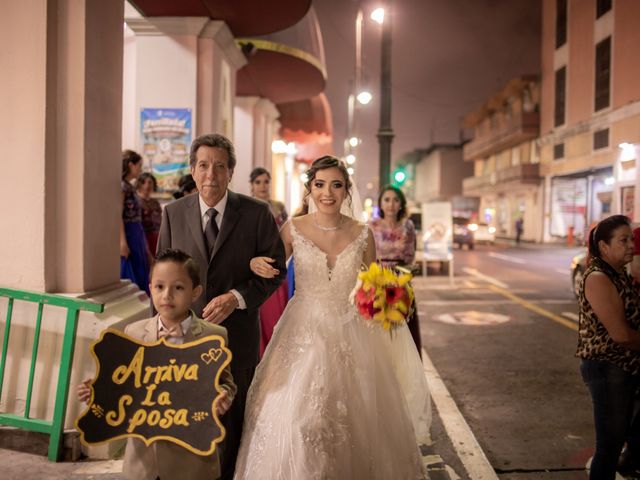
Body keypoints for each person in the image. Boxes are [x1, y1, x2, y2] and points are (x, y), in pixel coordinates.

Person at [234, 156, 431, 479]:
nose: (328, 193)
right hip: (302, 331)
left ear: (346, 191)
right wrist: (255, 263)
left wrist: (386, 300)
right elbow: (270, 271)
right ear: (310, 188)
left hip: (352, 333)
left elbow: (371, 284)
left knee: (360, 418)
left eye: (336, 185)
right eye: (320, 184)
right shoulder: (292, 228)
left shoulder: (362, 234)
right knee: (298, 418)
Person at [157, 133, 286, 480]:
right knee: (186, 423)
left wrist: (237, 297)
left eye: (219, 166)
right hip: (184, 341)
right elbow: (162, 274)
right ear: (193, 170)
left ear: (231, 172)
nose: (210, 175)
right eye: (203, 166)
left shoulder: (257, 214)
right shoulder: (173, 214)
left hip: (237, 338)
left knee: (234, 424)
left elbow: (277, 272)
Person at [78, 249, 236, 480]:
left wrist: (223, 396)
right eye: (159, 287)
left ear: (195, 292)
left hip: (192, 460)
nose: (167, 295)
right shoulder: (133, 332)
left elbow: (226, 383)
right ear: (150, 287)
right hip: (144, 461)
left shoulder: (213, 335)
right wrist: (97, 391)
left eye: (178, 287)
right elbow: (123, 384)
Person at [576, 214, 640, 480]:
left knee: (627, 433)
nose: (631, 246)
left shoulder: (619, 273)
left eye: (631, 240)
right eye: (623, 240)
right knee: (609, 446)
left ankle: (629, 463)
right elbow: (621, 335)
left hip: (626, 366)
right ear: (603, 246)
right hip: (608, 368)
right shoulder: (598, 278)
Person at [370, 185, 422, 354]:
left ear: (401, 204)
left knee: (403, 330)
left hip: (401, 282)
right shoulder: (371, 226)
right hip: (377, 281)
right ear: (380, 203)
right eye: (386, 200)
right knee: (379, 332)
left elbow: (410, 255)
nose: (391, 204)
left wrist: (403, 276)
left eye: (395, 200)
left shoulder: (408, 226)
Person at [249, 167, 289, 356]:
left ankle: (277, 353)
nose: (263, 186)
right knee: (261, 312)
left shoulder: (278, 207)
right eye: (258, 182)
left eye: (266, 181)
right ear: (252, 185)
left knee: (278, 313)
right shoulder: (247, 207)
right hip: (256, 264)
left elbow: (286, 235)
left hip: (276, 262)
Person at [121, 150, 151, 294]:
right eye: (139, 165)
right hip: (129, 231)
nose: (140, 169)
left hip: (136, 230)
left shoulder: (129, 186)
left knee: (141, 265)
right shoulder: (122, 186)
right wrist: (122, 242)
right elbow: (118, 214)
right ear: (130, 165)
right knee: (134, 268)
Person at [136, 172, 162, 254]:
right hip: (143, 238)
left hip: (156, 238)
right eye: (148, 182)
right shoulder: (137, 201)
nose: (149, 186)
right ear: (140, 184)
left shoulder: (155, 202)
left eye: (151, 183)